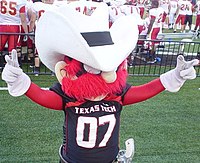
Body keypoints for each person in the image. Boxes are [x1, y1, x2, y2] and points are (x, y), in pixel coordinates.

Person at [2, 2, 199, 163]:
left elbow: (147, 90)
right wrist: (20, 79)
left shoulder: (117, 93)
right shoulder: (69, 95)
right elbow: (42, 96)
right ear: (65, 70)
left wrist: (175, 76)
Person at [0, 0, 29, 68]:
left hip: (2, 26)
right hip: (15, 26)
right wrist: (26, 32)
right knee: (12, 49)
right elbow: (23, 19)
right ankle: (11, 67)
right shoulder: (20, 1)